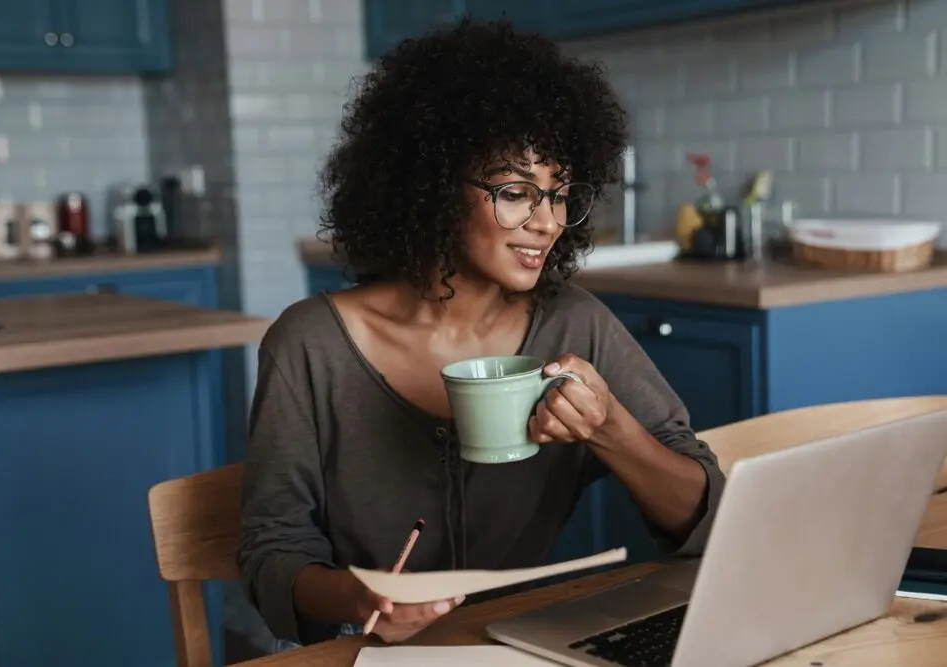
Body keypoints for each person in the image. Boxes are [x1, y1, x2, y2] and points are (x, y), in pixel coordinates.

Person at [238, 17, 726, 649]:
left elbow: (708, 515)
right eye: (516, 193)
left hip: (530, 647)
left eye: (559, 195)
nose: (547, 222)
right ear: (434, 187)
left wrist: (611, 429)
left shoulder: (574, 324)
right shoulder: (312, 344)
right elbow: (271, 552)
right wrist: (363, 597)